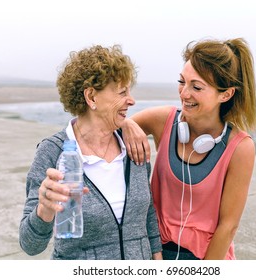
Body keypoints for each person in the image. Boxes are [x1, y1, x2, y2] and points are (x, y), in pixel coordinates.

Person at [19, 45, 162, 260]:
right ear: (91, 97)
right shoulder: (53, 152)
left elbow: (148, 214)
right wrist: (44, 210)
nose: (132, 100)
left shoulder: (133, 145)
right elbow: (30, 245)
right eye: (122, 92)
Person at [122, 37, 256, 260]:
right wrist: (126, 123)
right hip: (153, 252)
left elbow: (228, 227)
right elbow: (104, 131)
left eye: (196, 87)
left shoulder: (240, 148)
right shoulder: (162, 120)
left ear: (226, 94)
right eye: (182, 81)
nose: (184, 93)